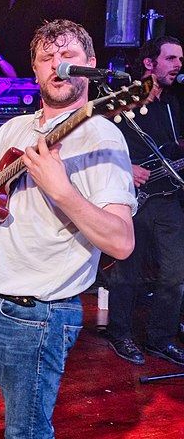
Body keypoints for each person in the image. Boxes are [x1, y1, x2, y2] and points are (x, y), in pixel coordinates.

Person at [0, 19, 136, 437]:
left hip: (39, 315)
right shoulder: (14, 128)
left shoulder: (101, 136)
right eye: (47, 58)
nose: (58, 64)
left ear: (90, 66)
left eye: (69, 56)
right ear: (36, 72)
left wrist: (63, 191)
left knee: (26, 431)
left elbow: (121, 241)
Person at [104, 36, 184, 367]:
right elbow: (98, 149)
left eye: (181, 59)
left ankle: (160, 338)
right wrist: (127, 166)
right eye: (171, 58)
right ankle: (119, 334)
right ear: (150, 63)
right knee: (127, 273)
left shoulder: (172, 105)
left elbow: (172, 149)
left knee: (175, 274)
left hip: (166, 198)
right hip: (129, 198)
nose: (179, 65)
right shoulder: (122, 102)